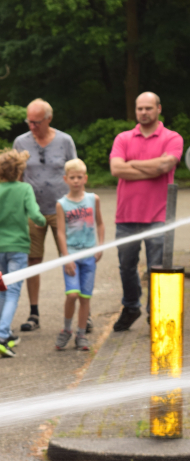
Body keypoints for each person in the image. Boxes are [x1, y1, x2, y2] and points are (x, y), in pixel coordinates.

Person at [109, 92, 184, 331]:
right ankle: (131, 307)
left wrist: (131, 164)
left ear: (159, 108)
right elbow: (116, 169)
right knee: (126, 267)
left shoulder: (172, 138)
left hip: (159, 217)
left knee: (158, 269)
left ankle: (157, 314)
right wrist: (153, 167)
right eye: (140, 108)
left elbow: (165, 165)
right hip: (126, 216)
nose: (144, 112)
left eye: (148, 108)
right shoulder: (123, 137)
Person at [13, 99, 78, 333]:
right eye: (28, 121)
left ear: (49, 119)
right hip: (32, 211)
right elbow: (15, 177)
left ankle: (81, 314)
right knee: (33, 261)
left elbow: (75, 172)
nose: (32, 126)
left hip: (61, 209)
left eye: (36, 122)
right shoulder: (20, 142)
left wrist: (77, 204)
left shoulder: (64, 140)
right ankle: (34, 313)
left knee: (70, 259)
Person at [0, 149, 45, 357]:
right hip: (18, 246)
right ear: (20, 171)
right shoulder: (25, 189)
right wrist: (43, 222)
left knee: (4, 288)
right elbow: (35, 214)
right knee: (14, 290)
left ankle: (6, 332)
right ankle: (0, 335)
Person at [54, 158, 105, 350]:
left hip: (89, 256)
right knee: (72, 295)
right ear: (65, 179)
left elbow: (100, 223)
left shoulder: (93, 199)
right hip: (72, 257)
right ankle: (67, 329)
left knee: (85, 297)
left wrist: (100, 246)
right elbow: (60, 232)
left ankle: (81, 334)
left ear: (85, 178)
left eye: (79, 177)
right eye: (72, 177)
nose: (76, 181)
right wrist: (66, 257)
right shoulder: (62, 204)